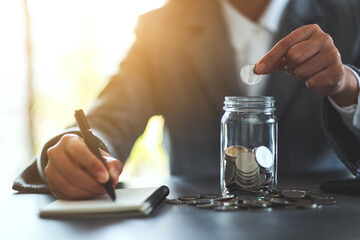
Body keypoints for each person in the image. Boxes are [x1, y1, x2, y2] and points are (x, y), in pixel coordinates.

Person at [13, 0, 360, 200]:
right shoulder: (162, 29)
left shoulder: (351, 16)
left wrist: (347, 86)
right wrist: (75, 147)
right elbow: (109, 117)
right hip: (199, 226)